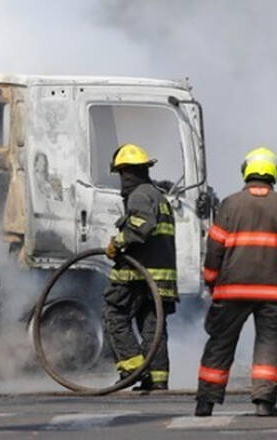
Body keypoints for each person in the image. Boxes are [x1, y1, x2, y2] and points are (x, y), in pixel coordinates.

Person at [195, 147, 277, 418]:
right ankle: (264, 402)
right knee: (268, 343)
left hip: (232, 289)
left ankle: (205, 402)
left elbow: (215, 248)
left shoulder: (230, 204)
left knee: (220, 342)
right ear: (274, 173)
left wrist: (211, 281)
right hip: (273, 292)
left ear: (247, 171)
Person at [103, 144, 177, 391]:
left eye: (123, 173)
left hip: (138, 276)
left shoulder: (139, 195)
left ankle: (132, 370)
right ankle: (156, 379)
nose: (122, 180)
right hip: (160, 279)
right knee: (152, 328)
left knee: (115, 314)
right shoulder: (158, 195)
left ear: (128, 173)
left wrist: (118, 243)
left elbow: (141, 226)